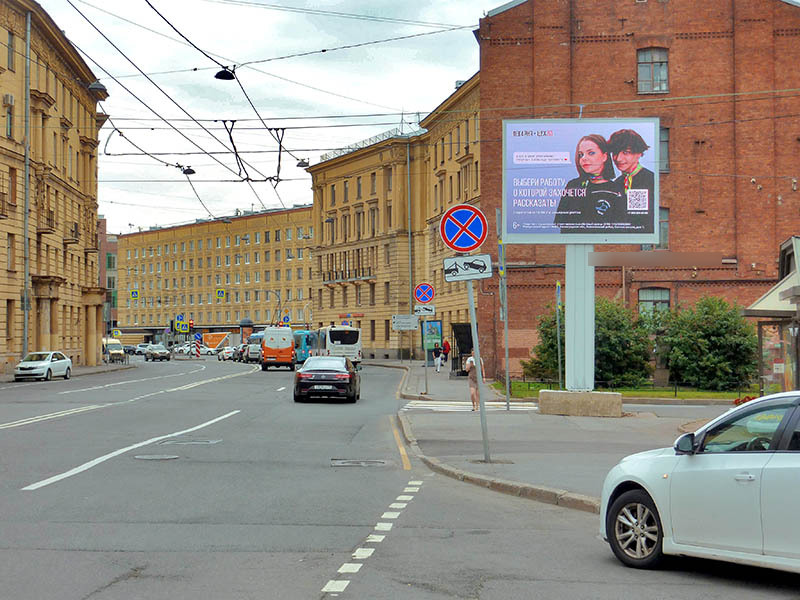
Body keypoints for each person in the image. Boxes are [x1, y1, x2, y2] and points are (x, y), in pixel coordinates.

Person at [554, 134, 624, 233]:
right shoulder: (573, 185)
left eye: (591, 153)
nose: (584, 158)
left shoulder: (616, 190)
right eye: (580, 155)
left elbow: (621, 228)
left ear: (604, 156)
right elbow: (561, 221)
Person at [607, 128, 655, 233]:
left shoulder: (652, 180)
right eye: (615, 152)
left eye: (626, 152)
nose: (618, 158)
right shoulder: (615, 184)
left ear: (639, 153)